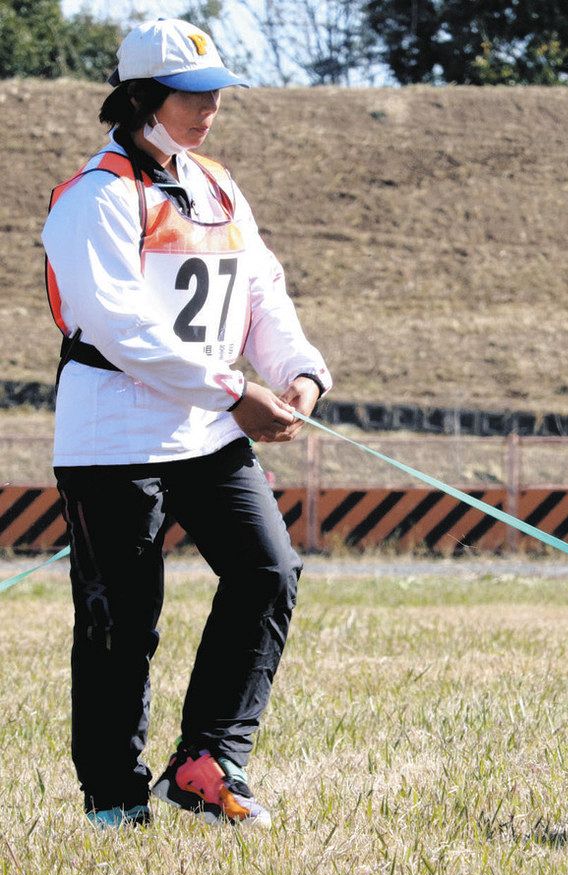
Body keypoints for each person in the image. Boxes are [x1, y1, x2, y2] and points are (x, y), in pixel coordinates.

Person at [42, 18, 332, 829]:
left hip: (207, 435)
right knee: (120, 623)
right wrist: (231, 388)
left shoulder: (219, 186)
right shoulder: (94, 195)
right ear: (142, 98)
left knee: (269, 573)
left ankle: (208, 761)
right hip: (115, 437)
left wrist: (298, 372)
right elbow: (120, 324)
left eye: (216, 95)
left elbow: (262, 291)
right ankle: (113, 797)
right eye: (192, 95)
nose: (209, 108)